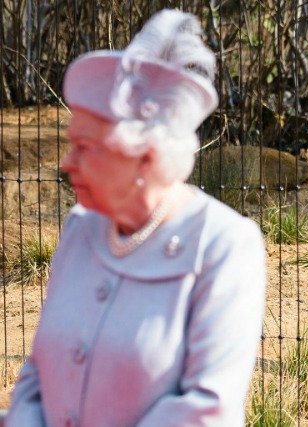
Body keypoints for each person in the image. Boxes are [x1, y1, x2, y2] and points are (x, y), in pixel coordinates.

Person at [6, 9, 266, 427]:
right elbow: (37, 372)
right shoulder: (80, 228)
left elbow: (207, 409)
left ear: (144, 156)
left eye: (84, 147)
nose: (65, 163)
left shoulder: (223, 245)